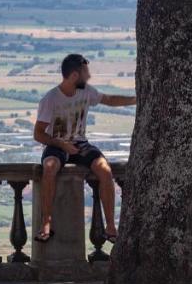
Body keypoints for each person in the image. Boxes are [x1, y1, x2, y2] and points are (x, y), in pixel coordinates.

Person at [33, 54, 135, 244]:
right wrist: (62, 145)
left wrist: (135, 100)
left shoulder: (86, 92)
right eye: (85, 73)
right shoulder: (51, 99)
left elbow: (109, 99)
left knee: (104, 169)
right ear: (73, 76)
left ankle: (111, 226)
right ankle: (46, 221)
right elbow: (38, 134)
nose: (88, 77)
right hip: (57, 144)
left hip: (81, 143)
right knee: (49, 167)